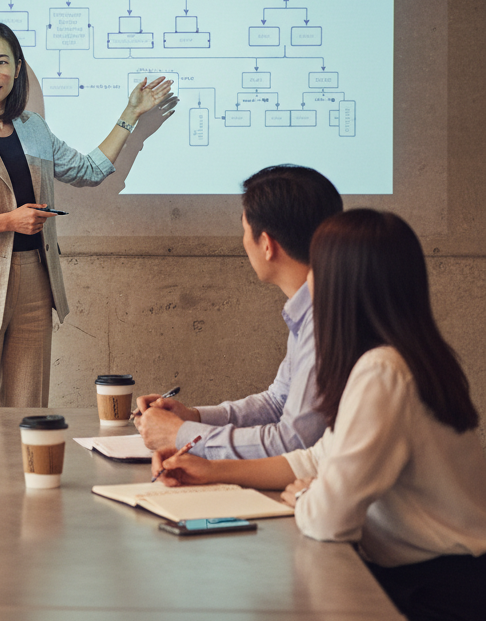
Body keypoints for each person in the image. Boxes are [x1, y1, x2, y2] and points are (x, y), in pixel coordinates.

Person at [152, 209, 486, 621]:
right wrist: (214, 470)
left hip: (436, 605)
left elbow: (328, 518)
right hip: (444, 587)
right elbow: (317, 458)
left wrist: (303, 498)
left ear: (344, 282)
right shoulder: (398, 355)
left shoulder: (382, 370)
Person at [0, 20, 176, 408]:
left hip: (35, 284)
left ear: (18, 68)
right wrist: (9, 220)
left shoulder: (34, 128)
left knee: (28, 413)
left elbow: (89, 170)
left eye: (2, 62)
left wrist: (131, 114)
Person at [136, 164, 342, 458]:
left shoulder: (326, 320)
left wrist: (179, 434)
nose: (244, 241)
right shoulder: (311, 306)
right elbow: (277, 403)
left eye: (245, 230)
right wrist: (193, 417)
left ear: (267, 245)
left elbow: (293, 442)